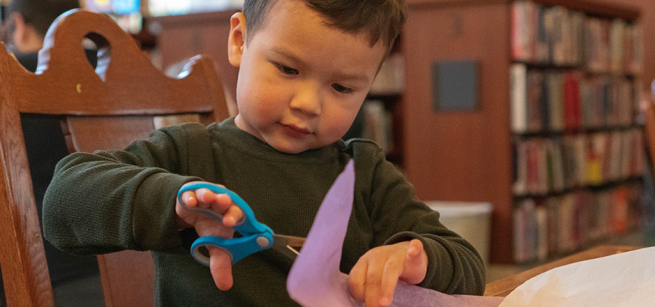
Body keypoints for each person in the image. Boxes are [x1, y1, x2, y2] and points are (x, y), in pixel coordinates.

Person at [42, 0, 486, 306]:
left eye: (342, 87)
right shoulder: (188, 152)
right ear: (240, 40)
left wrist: (415, 258)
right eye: (288, 68)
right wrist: (173, 203)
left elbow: (467, 266)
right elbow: (63, 200)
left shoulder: (364, 172)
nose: (309, 103)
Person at [0, 1, 103, 306]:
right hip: (132, 264)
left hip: (36, 276)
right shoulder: (118, 69)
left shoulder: (10, 76)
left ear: (18, 24)